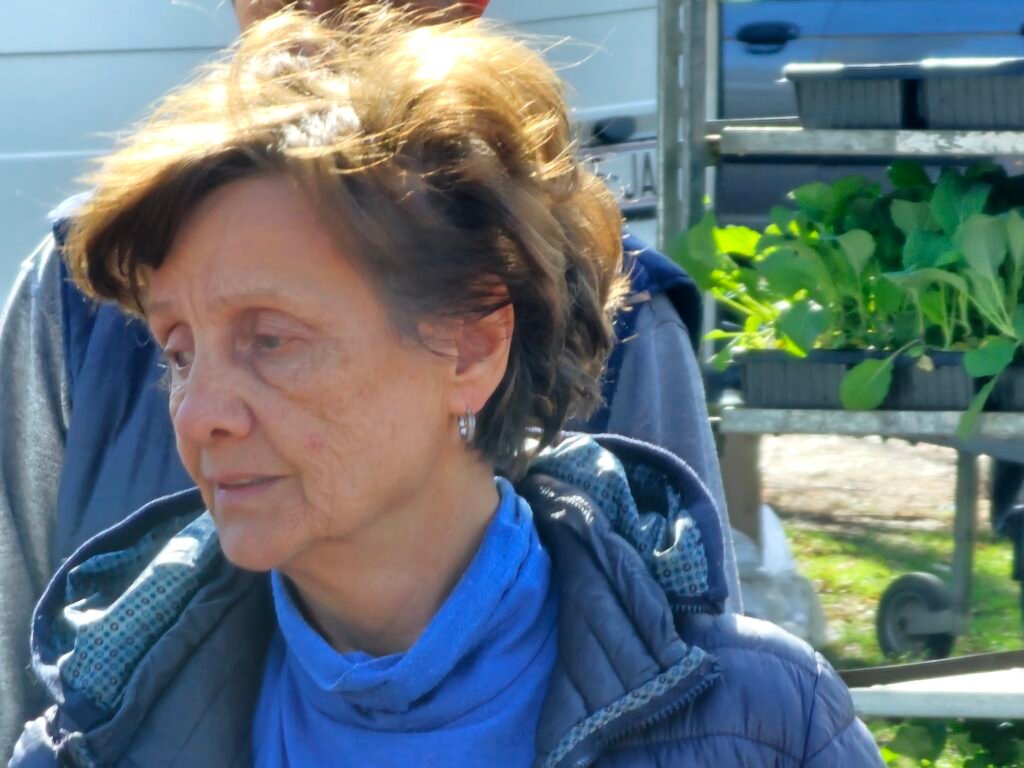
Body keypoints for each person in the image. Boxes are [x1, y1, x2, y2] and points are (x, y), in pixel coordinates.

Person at [10, 8, 880, 766]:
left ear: (470, 347)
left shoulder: (758, 727)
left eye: (271, 340)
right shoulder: (91, 741)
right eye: (177, 352)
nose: (200, 415)